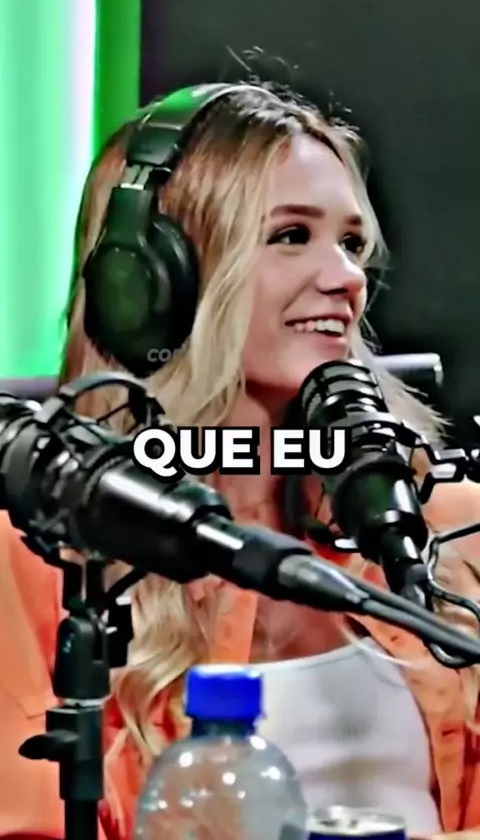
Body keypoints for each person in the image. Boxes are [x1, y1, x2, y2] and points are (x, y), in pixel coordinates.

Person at [1, 79, 480, 840]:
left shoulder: (446, 531)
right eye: (290, 236)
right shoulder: (40, 559)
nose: (347, 278)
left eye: (351, 244)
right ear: (148, 283)